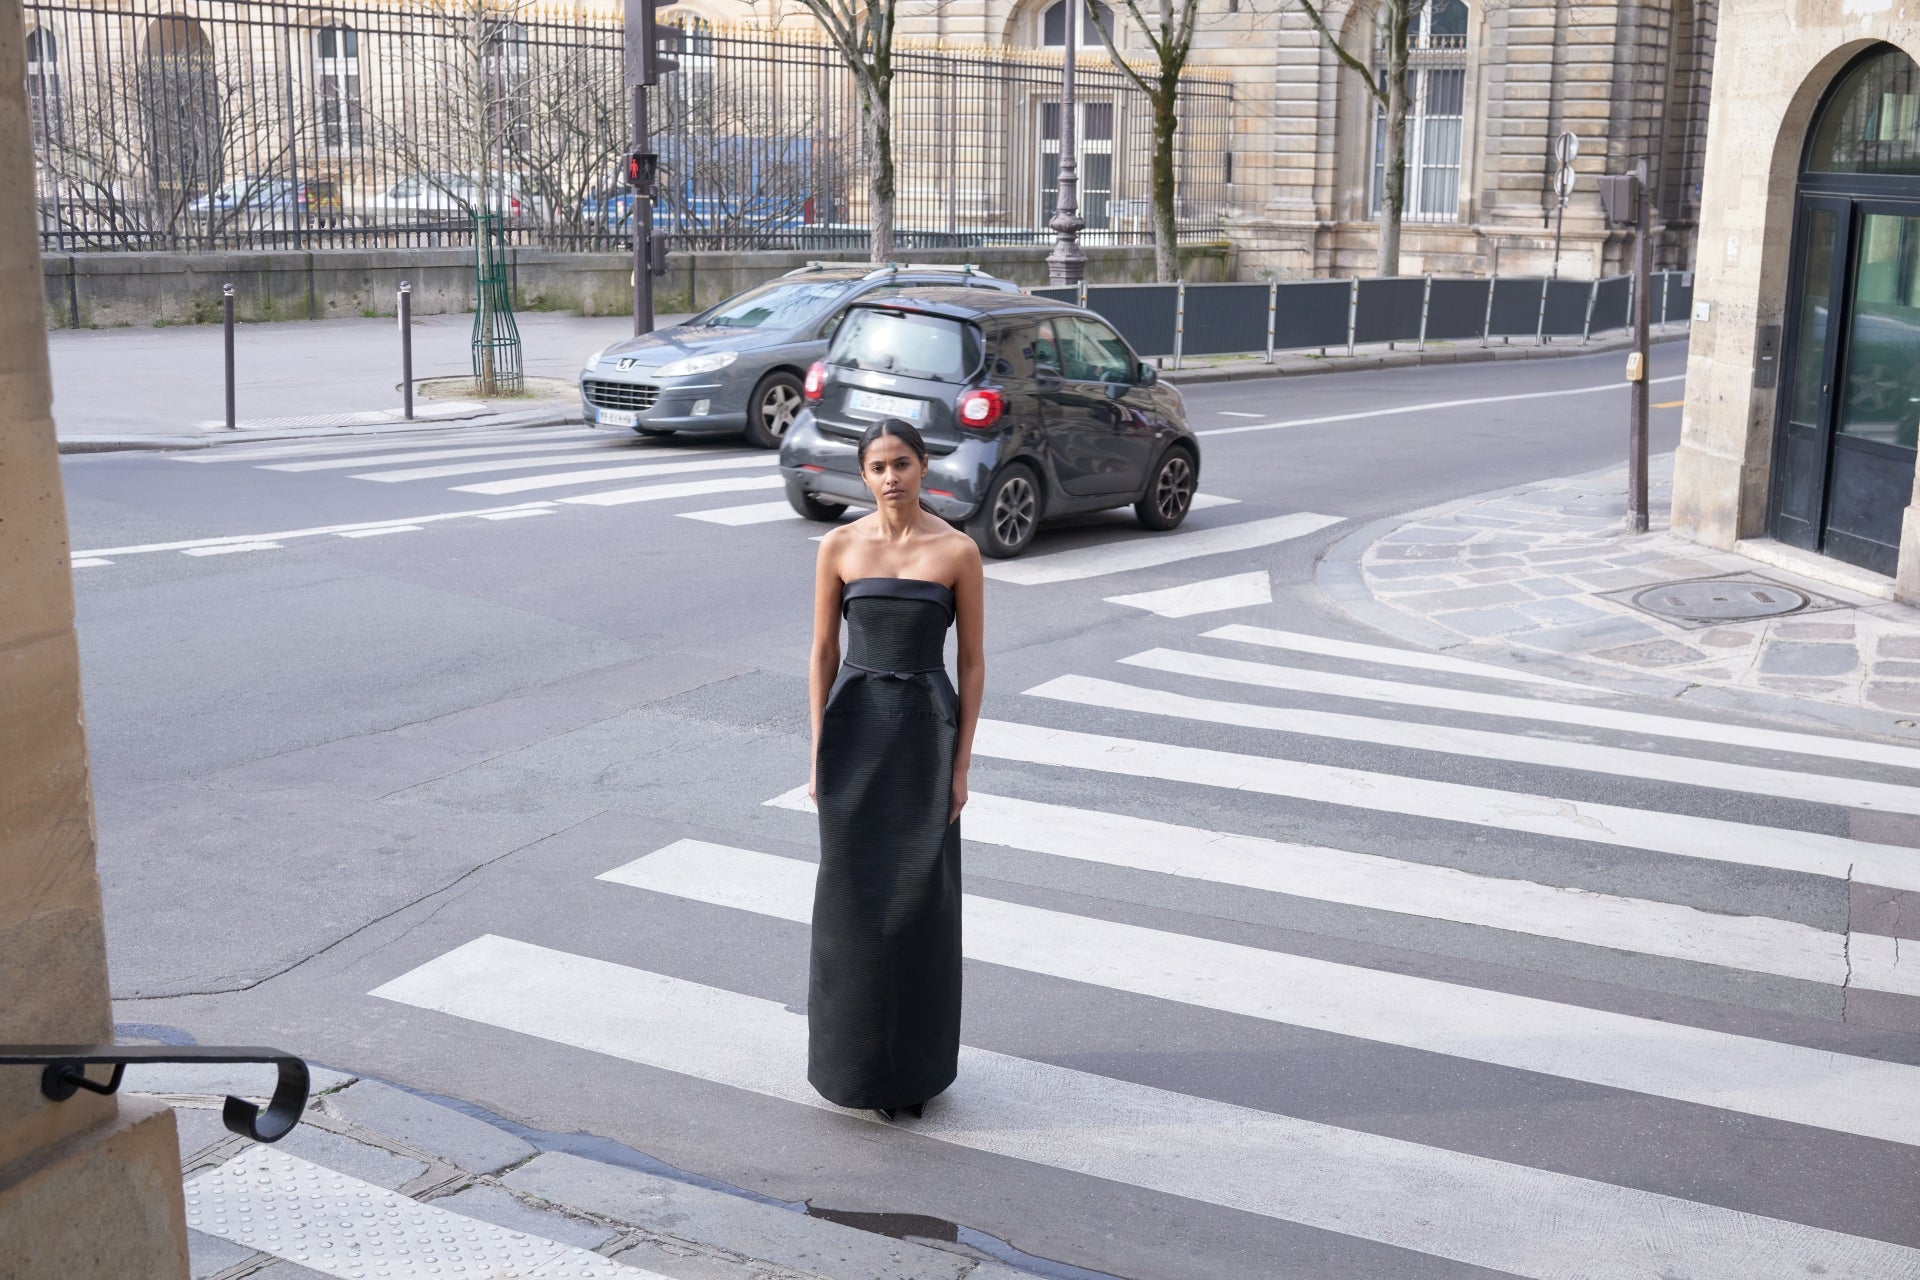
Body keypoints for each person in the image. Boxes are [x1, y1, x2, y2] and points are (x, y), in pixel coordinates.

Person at [805, 418, 985, 1121]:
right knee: (848, 904)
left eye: (902, 463)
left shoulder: (958, 551)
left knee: (920, 907)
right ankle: (850, 1071)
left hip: (924, 737)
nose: (890, 477)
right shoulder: (839, 545)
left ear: (922, 467)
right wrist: (818, 751)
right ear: (864, 474)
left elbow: (970, 663)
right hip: (854, 733)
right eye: (877, 465)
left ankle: (913, 1072)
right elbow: (822, 653)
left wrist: (961, 765)